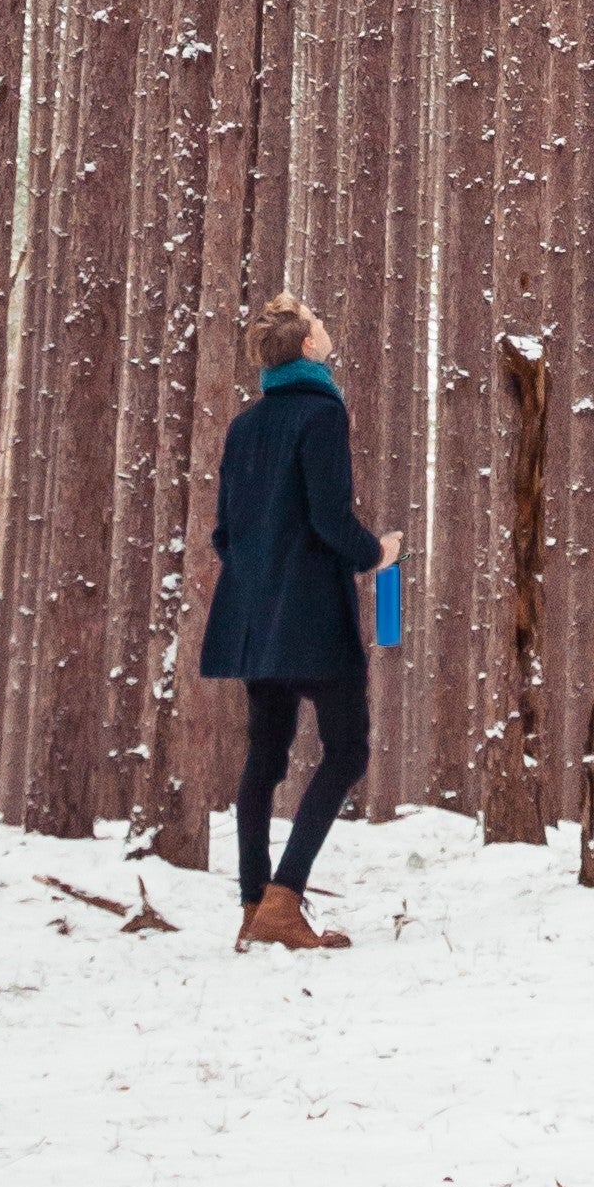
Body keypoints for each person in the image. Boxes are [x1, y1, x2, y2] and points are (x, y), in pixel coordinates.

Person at [199, 293, 401, 952]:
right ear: (308, 346)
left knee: (265, 756)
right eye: (318, 323)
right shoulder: (322, 413)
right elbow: (329, 519)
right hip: (311, 616)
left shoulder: (244, 426)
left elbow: (225, 533)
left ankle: (253, 905)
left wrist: (260, 576)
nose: (325, 327)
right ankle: (282, 901)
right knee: (347, 751)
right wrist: (376, 554)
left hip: (254, 617)